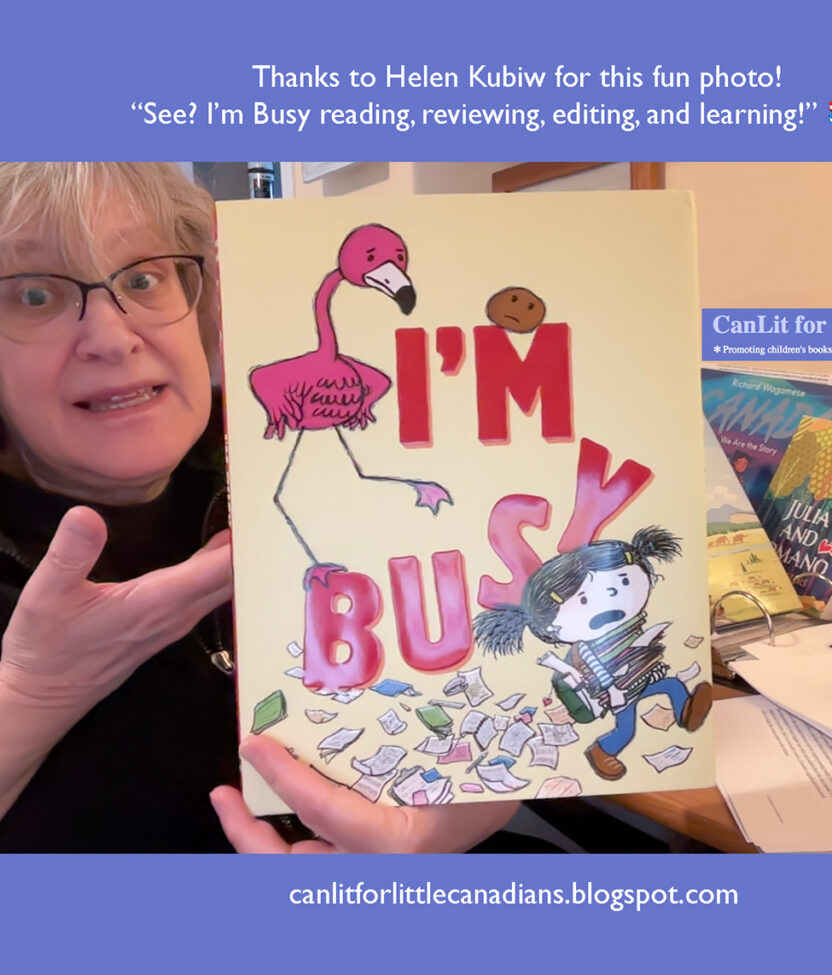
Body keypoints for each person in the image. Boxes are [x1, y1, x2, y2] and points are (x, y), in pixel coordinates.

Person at [0, 162, 515, 852]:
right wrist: (32, 695)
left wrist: (466, 806)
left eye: (143, 278)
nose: (112, 338)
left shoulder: (287, 457)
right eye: (35, 293)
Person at [473, 527, 712, 783]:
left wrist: (650, 660)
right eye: (583, 600)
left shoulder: (627, 628)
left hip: (636, 680)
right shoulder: (586, 648)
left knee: (673, 685)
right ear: (552, 626)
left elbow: (636, 654)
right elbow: (599, 670)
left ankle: (687, 714)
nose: (612, 598)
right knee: (626, 729)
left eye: (623, 582)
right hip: (618, 691)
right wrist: (613, 691)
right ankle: (602, 750)